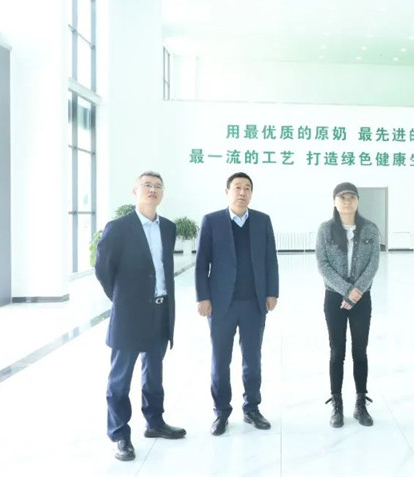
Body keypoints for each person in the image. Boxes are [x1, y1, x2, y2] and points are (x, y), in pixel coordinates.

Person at [95, 171, 186, 462]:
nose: (153, 189)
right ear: (135, 192)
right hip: (129, 313)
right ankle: (119, 435)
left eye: (158, 186)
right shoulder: (118, 228)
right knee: (120, 379)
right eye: (147, 185)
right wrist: (123, 299)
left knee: (154, 372)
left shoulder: (168, 228)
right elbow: (104, 270)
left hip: (161, 310)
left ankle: (155, 422)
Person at [195, 172, 280, 436]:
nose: (242, 192)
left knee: (252, 358)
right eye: (237, 187)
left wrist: (272, 292)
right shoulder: (212, 221)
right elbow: (201, 263)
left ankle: (252, 408)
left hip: (254, 303)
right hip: (221, 304)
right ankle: (221, 411)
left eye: (247, 188)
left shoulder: (262, 221)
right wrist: (202, 297)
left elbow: (270, 259)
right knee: (221, 360)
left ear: (251, 193)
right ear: (227, 192)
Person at [316, 182, 381, 428]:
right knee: (337, 352)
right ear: (334, 201)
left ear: (357, 201)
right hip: (334, 298)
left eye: (352, 197)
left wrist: (357, 291)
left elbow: (373, 263)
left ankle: (361, 403)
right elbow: (323, 264)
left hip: (362, 298)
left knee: (360, 352)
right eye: (342, 197)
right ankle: (337, 403)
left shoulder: (370, 229)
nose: (347, 201)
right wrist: (346, 291)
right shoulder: (325, 230)